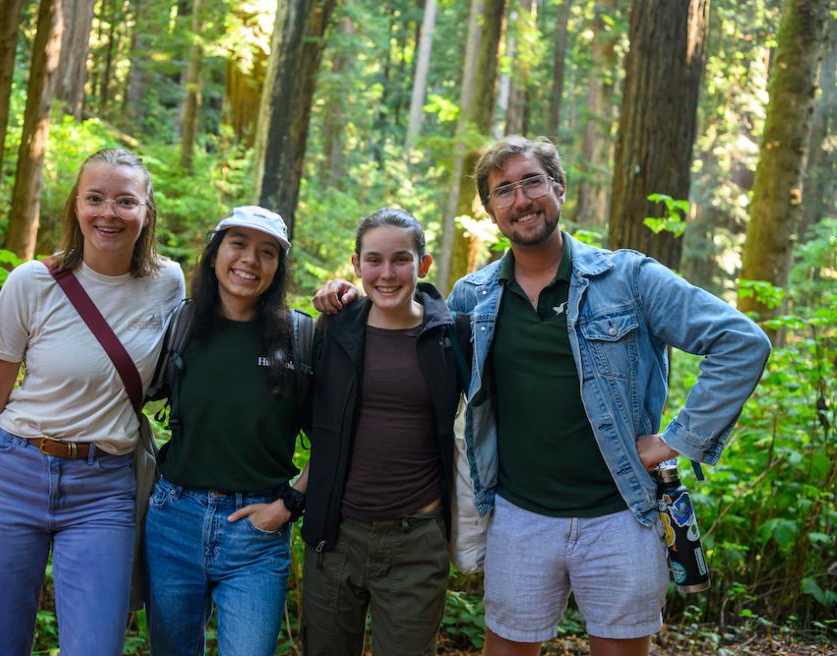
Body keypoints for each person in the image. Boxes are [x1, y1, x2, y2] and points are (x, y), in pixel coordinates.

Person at [314, 136, 771, 656]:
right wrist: (347, 297)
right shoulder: (474, 297)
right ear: (491, 211)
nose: (521, 200)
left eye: (532, 181)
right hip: (519, 517)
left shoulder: (629, 279)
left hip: (622, 514)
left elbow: (742, 343)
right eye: (503, 190)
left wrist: (676, 440)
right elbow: (404, 316)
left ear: (559, 188)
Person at [0, 148, 184, 655]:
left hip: (104, 488)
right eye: (95, 198)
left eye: (125, 201)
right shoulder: (32, 282)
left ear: (147, 211)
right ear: (76, 205)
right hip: (12, 474)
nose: (109, 213)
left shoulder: (167, 284)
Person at [142, 206, 312, 656]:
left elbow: (336, 438)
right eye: (238, 244)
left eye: (267, 252)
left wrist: (289, 504)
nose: (250, 260)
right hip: (173, 519)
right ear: (215, 253)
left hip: (257, 533)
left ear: (278, 267)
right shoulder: (180, 325)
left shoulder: (299, 337)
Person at [301, 208, 468, 655]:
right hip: (335, 535)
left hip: (417, 540)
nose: (387, 274)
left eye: (401, 259)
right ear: (356, 266)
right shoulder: (335, 329)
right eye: (374, 260)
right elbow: (307, 418)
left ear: (423, 264)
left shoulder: (451, 336)